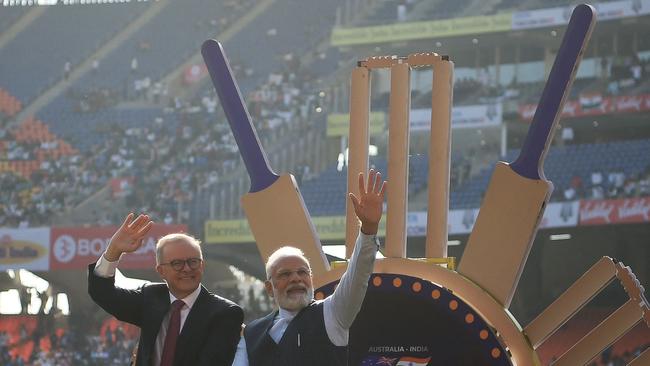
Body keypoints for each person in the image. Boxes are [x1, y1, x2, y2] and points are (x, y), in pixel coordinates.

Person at [232, 169, 387, 366]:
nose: (296, 278)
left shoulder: (332, 313)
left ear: (311, 279)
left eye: (302, 272)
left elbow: (358, 276)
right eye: (285, 274)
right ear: (270, 287)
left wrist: (368, 229)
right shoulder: (251, 333)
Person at [88, 213, 243, 366]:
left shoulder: (225, 313)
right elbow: (103, 294)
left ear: (202, 266)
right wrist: (113, 251)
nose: (187, 269)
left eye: (193, 262)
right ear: (161, 271)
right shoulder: (151, 297)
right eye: (177, 263)